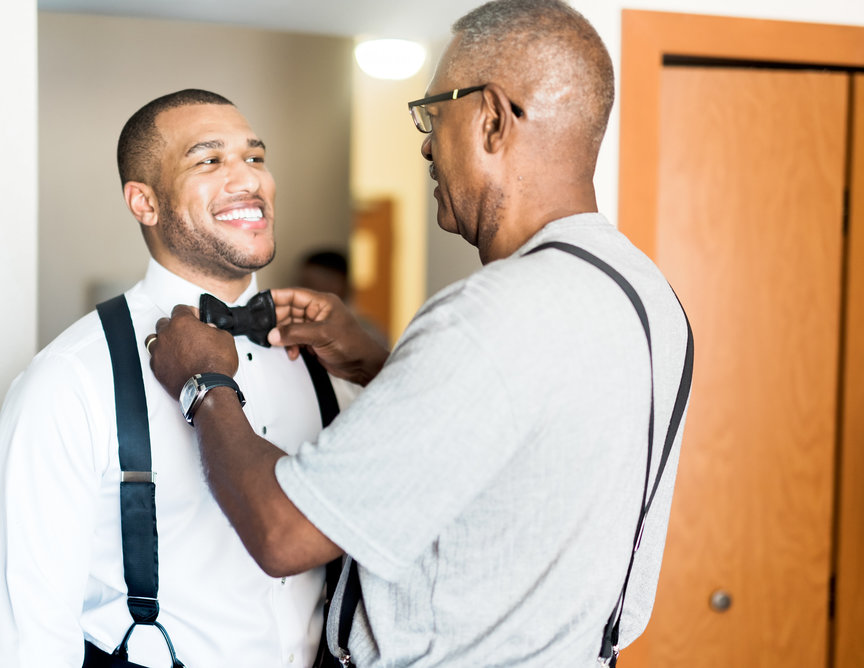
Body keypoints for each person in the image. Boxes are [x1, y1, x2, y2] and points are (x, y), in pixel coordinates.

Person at [145, 1, 693, 666]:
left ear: (491, 119)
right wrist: (378, 365)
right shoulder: (645, 295)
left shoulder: (490, 315)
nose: (428, 143)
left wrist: (204, 382)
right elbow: (516, 446)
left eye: (435, 113)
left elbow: (283, 533)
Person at [0, 89, 357, 667]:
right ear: (144, 202)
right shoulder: (70, 380)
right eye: (209, 160)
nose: (248, 180)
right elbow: (33, 636)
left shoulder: (330, 364)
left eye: (255, 158)